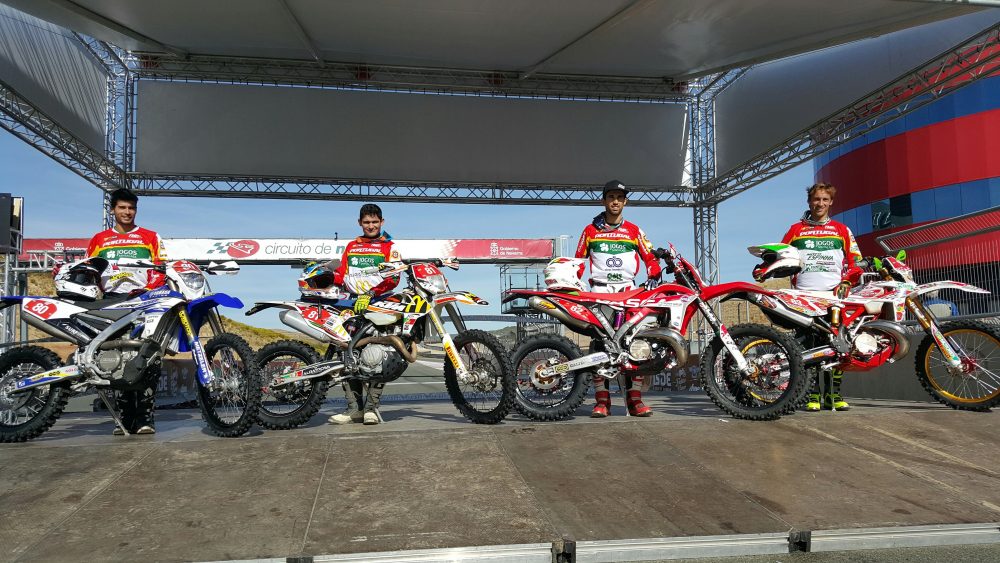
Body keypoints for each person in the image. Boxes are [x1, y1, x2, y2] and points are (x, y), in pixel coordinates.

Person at [575, 180, 662, 418]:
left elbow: (650, 257)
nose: (615, 201)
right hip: (600, 293)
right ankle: (602, 401)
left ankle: (635, 400)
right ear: (604, 200)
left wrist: (654, 274)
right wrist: (573, 284)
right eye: (611, 197)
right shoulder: (590, 230)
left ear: (625, 202)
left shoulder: (634, 230)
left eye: (620, 197)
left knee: (634, 344)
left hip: (629, 293)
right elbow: (578, 262)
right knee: (600, 345)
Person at [85, 188, 168, 435]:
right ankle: (123, 417)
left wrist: (148, 290)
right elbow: (89, 270)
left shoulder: (150, 236)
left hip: (143, 300)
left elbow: (160, 268)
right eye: (122, 207)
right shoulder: (99, 239)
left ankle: (145, 417)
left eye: (131, 208)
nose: (127, 212)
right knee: (115, 359)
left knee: (147, 357)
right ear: (113, 210)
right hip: (111, 303)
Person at [780, 182, 863, 412]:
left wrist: (847, 281)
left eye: (825, 199)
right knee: (809, 347)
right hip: (804, 296)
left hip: (834, 295)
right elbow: (780, 256)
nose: (820, 203)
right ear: (809, 201)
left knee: (838, 346)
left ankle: (834, 395)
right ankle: (813, 394)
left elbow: (855, 261)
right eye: (816, 199)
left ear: (831, 202)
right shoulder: (795, 230)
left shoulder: (841, 230)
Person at [328, 203, 401, 426]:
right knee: (347, 354)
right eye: (367, 222)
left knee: (377, 355)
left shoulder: (389, 246)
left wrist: (371, 293)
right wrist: (324, 277)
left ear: (382, 222)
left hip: (379, 304)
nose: (371, 226)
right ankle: (354, 410)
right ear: (359, 223)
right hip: (351, 305)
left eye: (375, 222)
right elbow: (342, 274)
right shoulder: (352, 246)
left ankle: (371, 409)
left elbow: (394, 277)